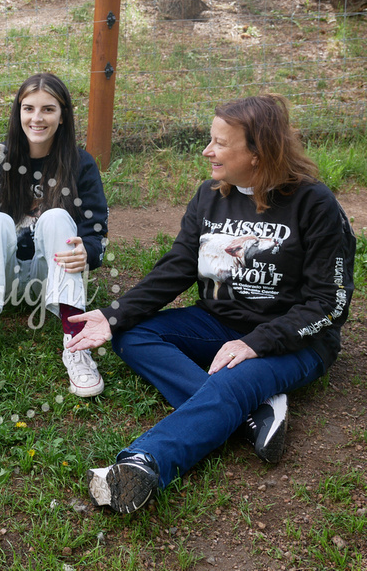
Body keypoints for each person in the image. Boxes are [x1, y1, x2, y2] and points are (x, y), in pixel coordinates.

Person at [66, 94, 356, 514]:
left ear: (258, 152)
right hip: (216, 322)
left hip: (296, 342)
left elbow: (331, 304)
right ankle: (254, 411)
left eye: (220, 143)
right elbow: (179, 266)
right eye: (210, 139)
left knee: (233, 378)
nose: (207, 151)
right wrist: (114, 316)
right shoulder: (210, 196)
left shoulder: (315, 205)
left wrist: (257, 343)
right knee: (132, 335)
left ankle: (144, 464)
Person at [0, 73, 109, 400]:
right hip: (3, 281)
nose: (37, 118)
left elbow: (95, 227)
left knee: (57, 216)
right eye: (28, 108)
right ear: (18, 112)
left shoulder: (81, 163)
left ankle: (75, 343)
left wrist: (88, 250)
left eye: (48, 109)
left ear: (62, 115)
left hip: (53, 281)